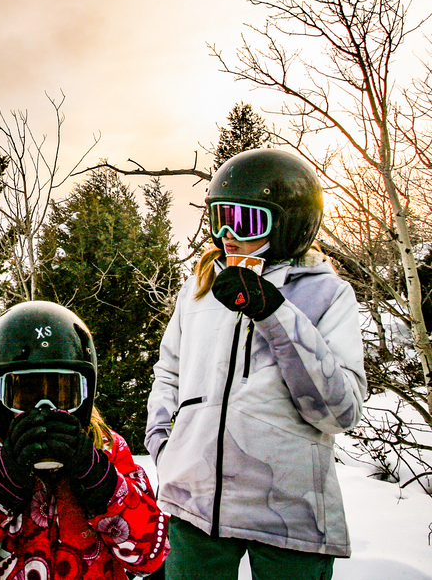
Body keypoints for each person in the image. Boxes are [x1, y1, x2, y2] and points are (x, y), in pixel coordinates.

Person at [145, 148, 366, 580]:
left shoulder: (327, 295)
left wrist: (275, 314)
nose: (227, 234)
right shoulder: (200, 289)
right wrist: (165, 447)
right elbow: (168, 372)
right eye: (219, 217)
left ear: (288, 225)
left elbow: (341, 411)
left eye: (245, 221)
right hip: (195, 503)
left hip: (288, 511)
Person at [0, 301, 169, 580]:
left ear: (86, 393)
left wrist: (101, 483)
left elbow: (151, 556)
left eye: (62, 394)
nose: (44, 411)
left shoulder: (107, 448)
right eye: (23, 395)